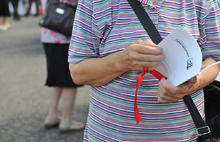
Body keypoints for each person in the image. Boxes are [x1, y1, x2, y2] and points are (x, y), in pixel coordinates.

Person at [68, 0, 220, 141]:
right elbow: (78, 73)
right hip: (110, 135)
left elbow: (214, 60)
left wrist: (194, 83)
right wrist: (122, 61)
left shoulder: (201, 2)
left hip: (184, 135)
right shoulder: (96, 3)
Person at [41, 0, 84, 132]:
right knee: (68, 80)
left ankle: (52, 115)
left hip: (48, 33)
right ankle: (66, 120)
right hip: (67, 34)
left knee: (55, 77)